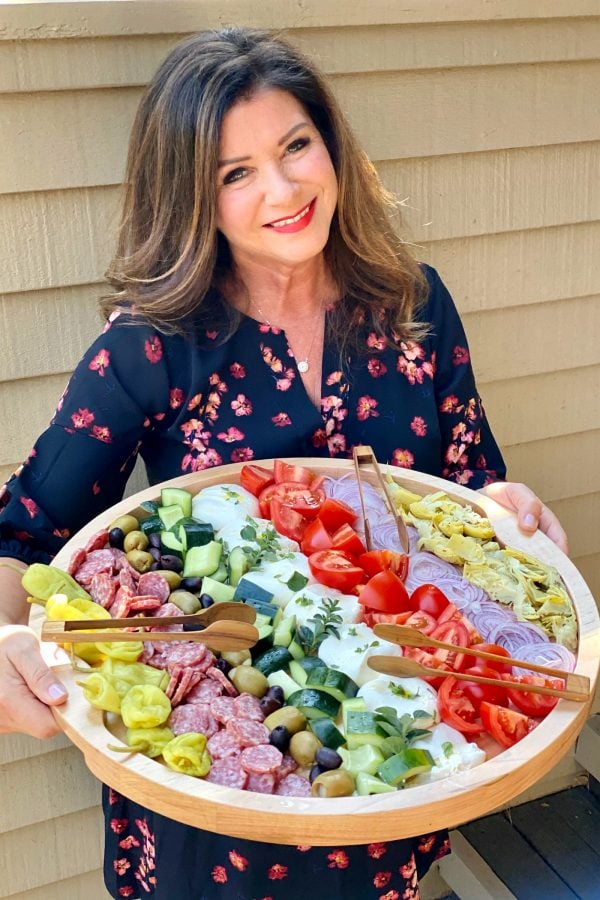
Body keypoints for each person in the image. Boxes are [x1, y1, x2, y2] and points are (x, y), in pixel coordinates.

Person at [0, 27, 568, 900]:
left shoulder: (415, 306)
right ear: (193, 196)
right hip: (217, 798)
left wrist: (509, 512)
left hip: (392, 757)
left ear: (330, 145)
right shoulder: (150, 349)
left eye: (296, 145)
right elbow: (26, 534)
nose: (283, 188)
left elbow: (466, 483)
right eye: (235, 173)